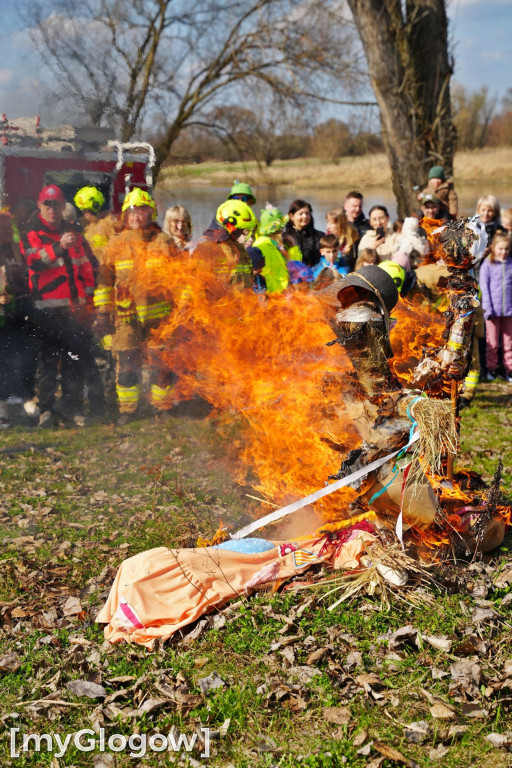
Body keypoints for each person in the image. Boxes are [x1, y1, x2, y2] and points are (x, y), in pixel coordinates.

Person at [22, 185, 103, 427]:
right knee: (47, 363)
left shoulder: (74, 234)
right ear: (40, 206)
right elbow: (34, 261)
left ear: (62, 206)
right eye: (47, 204)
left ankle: (71, 410)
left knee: (73, 362)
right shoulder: (31, 232)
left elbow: (90, 269)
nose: (52, 209)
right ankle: (46, 411)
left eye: (56, 204)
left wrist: (89, 304)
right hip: (46, 310)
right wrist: (59, 247)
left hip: (74, 311)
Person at [94, 188, 177, 424]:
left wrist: (182, 312)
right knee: (127, 366)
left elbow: (180, 279)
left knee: (161, 365)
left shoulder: (164, 242)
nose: (136, 216)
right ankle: (127, 411)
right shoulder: (116, 244)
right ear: (124, 215)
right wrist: (102, 314)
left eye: (141, 211)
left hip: (159, 318)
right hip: (125, 318)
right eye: (131, 211)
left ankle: (162, 408)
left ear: (150, 213)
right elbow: (104, 281)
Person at [0, 211, 38, 426]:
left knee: (26, 357)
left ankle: (27, 398)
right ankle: (2, 409)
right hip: (1, 316)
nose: (4, 232)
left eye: (7, 228)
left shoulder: (17, 250)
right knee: (2, 361)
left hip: (22, 310)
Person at [195, 199, 257, 290]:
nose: (243, 233)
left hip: (243, 302)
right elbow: (198, 286)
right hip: (221, 303)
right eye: (242, 228)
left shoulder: (240, 249)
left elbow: (248, 280)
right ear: (230, 227)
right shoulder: (206, 250)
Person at [479, 233, 512, 383]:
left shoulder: (510, 263)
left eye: (506, 249)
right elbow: (484, 288)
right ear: (493, 248)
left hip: (509, 311)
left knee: (509, 342)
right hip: (492, 311)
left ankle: (509, 370)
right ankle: (491, 369)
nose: (503, 252)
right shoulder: (488, 264)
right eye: (500, 248)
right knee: (491, 342)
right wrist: (487, 308)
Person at [247, 207, 290, 295]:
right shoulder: (261, 246)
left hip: (282, 295)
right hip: (272, 296)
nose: (283, 230)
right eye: (282, 227)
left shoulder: (275, 245)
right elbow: (263, 273)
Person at [283, 199, 324, 268]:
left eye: (307, 213)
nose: (305, 216)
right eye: (300, 214)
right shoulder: (285, 238)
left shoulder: (319, 236)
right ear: (291, 216)